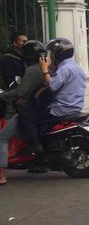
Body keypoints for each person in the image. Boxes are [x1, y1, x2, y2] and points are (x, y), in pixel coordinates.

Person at [15, 38, 86, 159]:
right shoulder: (76, 67)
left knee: (25, 114)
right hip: (75, 106)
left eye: (52, 53)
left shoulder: (64, 69)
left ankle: (35, 145)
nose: (50, 56)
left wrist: (44, 69)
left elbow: (52, 85)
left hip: (61, 109)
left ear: (58, 54)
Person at [0, 41, 57, 179]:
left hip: (30, 109)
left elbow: (21, 92)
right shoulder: (48, 68)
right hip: (44, 108)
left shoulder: (32, 70)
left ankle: (1, 174)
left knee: (2, 137)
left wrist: (3, 95)